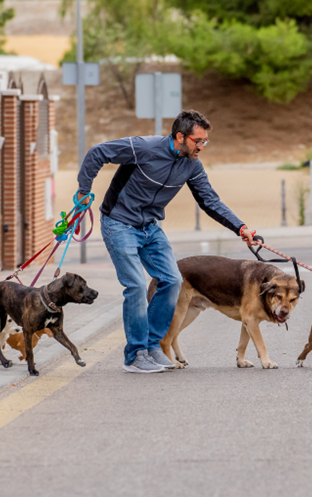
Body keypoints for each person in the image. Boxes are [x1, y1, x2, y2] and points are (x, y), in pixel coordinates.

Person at [76, 110, 254, 374]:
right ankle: (135, 355)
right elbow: (97, 153)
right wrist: (83, 190)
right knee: (136, 285)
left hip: (151, 227)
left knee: (172, 280)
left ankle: (152, 346)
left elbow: (210, 200)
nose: (202, 147)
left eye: (205, 141)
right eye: (198, 141)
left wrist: (240, 226)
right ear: (180, 136)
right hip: (119, 222)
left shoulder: (192, 165)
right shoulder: (143, 148)